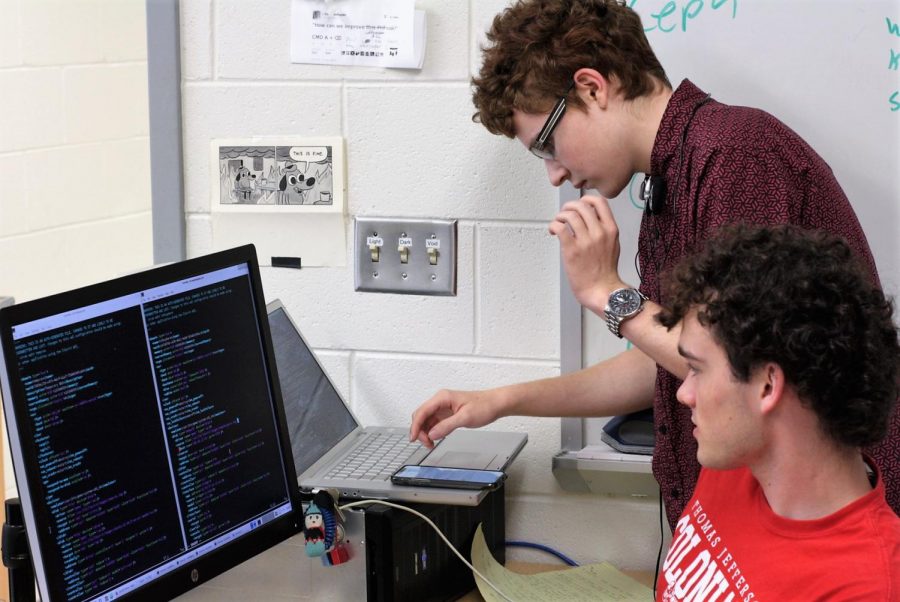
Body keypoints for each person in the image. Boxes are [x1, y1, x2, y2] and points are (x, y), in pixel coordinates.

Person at [407, 0, 900, 529]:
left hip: (825, 520)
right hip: (753, 515)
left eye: (547, 145)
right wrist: (501, 401)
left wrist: (605, 293)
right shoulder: (673, 178)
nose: (553, 174)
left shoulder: (735, 157)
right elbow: (668, 358)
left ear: (593, 87)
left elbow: (737, 372)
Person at [653, 224, 899, 600]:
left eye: (698, 370)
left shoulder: (868, 586)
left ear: (768, 386)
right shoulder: (735, 459)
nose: (684, 394)